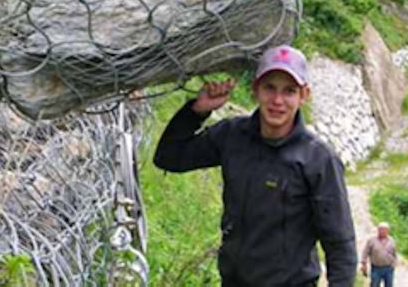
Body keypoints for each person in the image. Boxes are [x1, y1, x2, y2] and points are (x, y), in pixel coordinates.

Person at [153, 45, 357, 286]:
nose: (277, 101)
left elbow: (340, 243)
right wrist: (197, 111)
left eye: (289, 91)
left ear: (304, 95)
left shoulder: (319, 159)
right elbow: (168, 157)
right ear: (255, 89)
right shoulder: (232, 136)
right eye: (269, 87)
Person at [361, 222, 397, 287]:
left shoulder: (392, 240)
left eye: (385, 229)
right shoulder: (372, 240)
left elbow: (394, 253)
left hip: (388, 268)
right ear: (378, 230)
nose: (383, 231)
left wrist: (394, 264)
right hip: (376, 268)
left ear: (388, 231)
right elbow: (365, 252)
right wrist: (364, 264)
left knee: (389, 285)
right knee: (374, 285)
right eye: (381, 229)